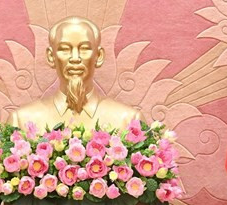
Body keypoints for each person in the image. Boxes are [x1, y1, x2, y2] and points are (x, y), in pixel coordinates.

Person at [8, 16, 141, 130]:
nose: (75, 58)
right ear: (51, 56)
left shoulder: (129, 121)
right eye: (64, 49)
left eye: (84, 48)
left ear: (99, 56)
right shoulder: (21, 121)